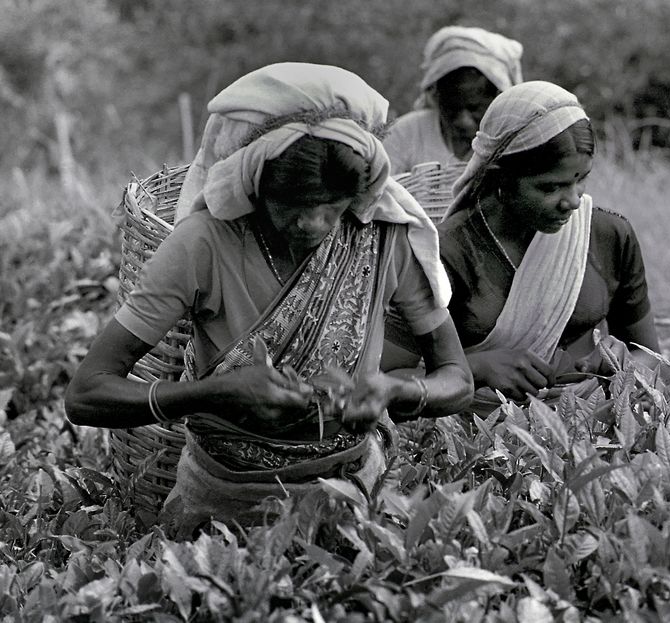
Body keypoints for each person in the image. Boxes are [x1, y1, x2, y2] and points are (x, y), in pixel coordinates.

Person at [64, 63, 472, 533]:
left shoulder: (382, 237)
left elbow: (456, 379)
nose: (314, 226)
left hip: (356, 492)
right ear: (254, 184)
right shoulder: (205, 244)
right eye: (293, 206)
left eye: (333, 208)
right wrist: (210, 395)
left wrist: (397, 390)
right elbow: (87, 393)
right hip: (223, 502)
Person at [387, 81, 660, 414]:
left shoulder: (608, 235)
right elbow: (388, 380)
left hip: (590, 425)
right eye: (549, 187)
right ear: (500, 178)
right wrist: (476, 368)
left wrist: (624, 364)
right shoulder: (446, 255)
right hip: (478, 439)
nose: (573, 201)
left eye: (580, 179)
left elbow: (649, 356)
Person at [382, 25, 523, 173]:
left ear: (496, 98)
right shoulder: (407, 133)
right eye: (452, 108)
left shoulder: (512, 143)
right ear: (437, 97)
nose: (463, 121)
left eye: (474, 108)